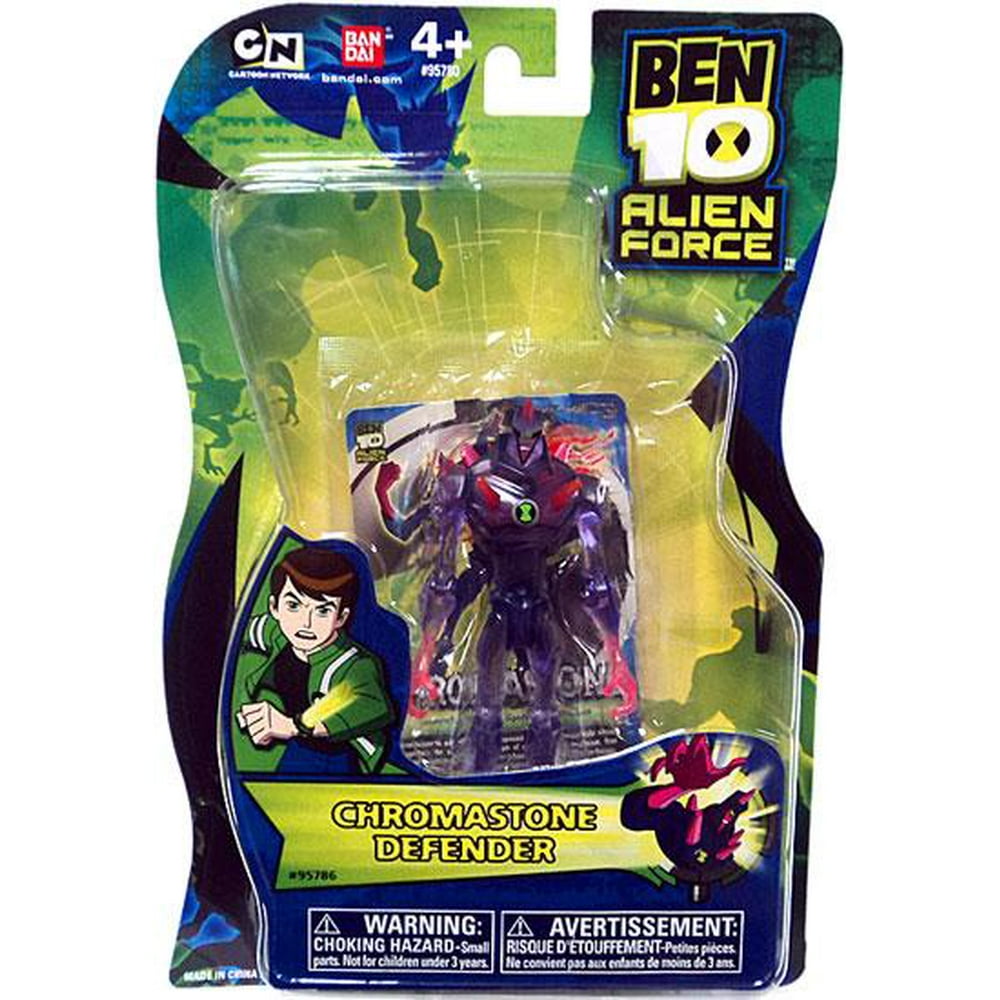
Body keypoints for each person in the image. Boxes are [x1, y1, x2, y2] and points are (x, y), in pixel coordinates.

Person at [236, 545, 393, 773]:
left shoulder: (353, 663)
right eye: (293, 605)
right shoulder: (278, 633)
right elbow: (244, 631)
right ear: (274, 607)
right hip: (297, 747)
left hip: (335, 757)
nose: (306, 623)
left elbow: (371, 705)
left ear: (341, 618)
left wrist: (293, 726)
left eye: (323, 611)